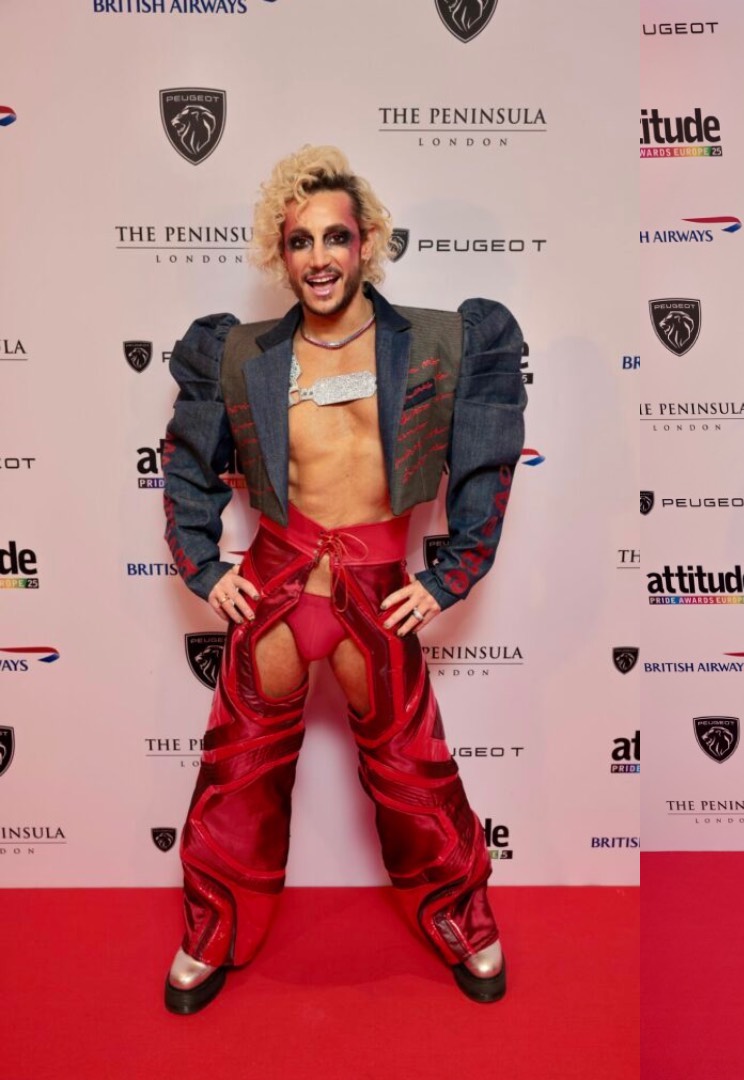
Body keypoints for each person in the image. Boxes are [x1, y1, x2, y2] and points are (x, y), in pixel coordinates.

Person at [158, 145, 528, 1014]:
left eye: (335, 237)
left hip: (377, 588)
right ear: (279, 253)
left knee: (413, 775)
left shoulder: (443, 340)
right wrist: (204, 565)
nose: (318, 257)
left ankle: (463, 921)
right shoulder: (238, 352)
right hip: (278, 582)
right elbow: (187, 464)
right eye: (300, 241)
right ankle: (212, 930)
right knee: (237, 775)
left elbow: (486, 466)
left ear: (366, 243)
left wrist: (450, 576)